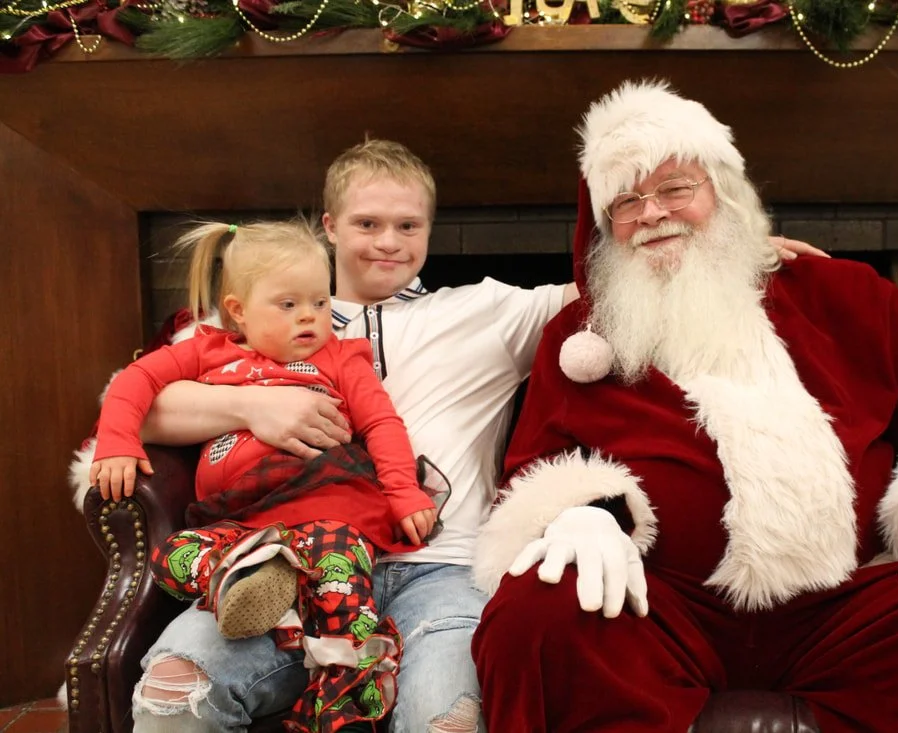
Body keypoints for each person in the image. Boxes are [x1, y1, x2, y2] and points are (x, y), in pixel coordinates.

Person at [71, 138, 821, 733]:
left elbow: (625, 289)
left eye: (408, 225)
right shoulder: (262, 319)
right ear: (330, 226)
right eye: (367, 224)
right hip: (283, 565)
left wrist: (732, 249)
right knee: (177, 691)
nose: (388, 242)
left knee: (445, 718)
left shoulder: (488, 312)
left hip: (444, 568)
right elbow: (141, 405)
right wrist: (252, 410)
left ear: (430, 228)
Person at [469, 79, 898, 733]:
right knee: (531, 618)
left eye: (675, 189)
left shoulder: (844, 294)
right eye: (625, 200)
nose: (650, 214)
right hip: (661, 609)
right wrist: (581, 515)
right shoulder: (578, 342)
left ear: (723, 195)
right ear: (604, 229)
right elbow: (535, 466)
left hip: (849, 610)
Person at [90, 219, 437, 732]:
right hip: (244, 523)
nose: (310, 318)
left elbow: (382, 423)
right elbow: (136, 379)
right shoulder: (207, 352)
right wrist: (116, 441)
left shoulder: (340, 358)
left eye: (320, 303)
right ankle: (253, 575)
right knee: (175, 554)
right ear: (237, 311)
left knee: (341, 592)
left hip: (328, 511)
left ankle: (347, 695)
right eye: (288, 304)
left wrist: (404, 492)